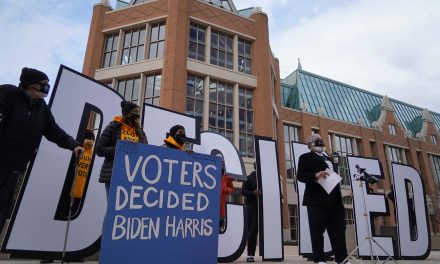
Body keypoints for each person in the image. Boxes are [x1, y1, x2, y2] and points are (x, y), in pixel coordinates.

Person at [0, 67, 84, 235]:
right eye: (44, 84)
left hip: (16, 166)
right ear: (31, 85)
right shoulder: (8, 93)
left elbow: (54, 131)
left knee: (2, 208)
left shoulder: (41, 108)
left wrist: (74, 145)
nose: (47, 87)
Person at [297, 134, 349, 264]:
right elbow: (300, 176)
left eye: (320, 139)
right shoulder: (305, 157)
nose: (319, 141)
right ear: (310, 144)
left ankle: (342, 259)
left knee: (338, 230)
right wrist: (315, 175)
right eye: (315, 139)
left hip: (335, 200)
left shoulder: (329, 158)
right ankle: (320, 259)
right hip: (316, 200)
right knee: (317, 231)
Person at [96, 101, 148, 196]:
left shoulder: (140, 132)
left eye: (138, 112)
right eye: (134, 112)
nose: (137, 114)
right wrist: (120, 149)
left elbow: (146, 150)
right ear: (127, 114)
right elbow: (99, 149)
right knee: (114, 208)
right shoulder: (113, 127)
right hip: (114, 174)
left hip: (134, 175)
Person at [242, 163, 261, 263]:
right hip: (252, 207)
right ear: (256, 167)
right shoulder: (249, 178)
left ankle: (272, 253)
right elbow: (243, 191)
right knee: (253, 231)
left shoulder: (267, 178)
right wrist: (253, 193)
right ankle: (250, 255)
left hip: (265, 208)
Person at [220, 160, 234, 233]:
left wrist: (226, 189)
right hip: (209, 206)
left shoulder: (227, 176)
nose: (221, 165)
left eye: (222, 164)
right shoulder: (209, 171)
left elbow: (232, 189)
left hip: (221, 206)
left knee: (219, 228)